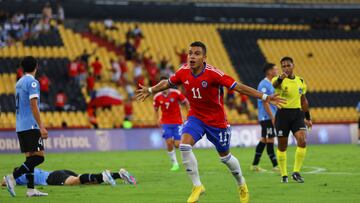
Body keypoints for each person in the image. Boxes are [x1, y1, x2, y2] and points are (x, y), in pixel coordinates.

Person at [135, 41, 284, 203]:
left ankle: (241, 183)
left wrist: (265, 97)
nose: (192, 56)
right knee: (184, 146)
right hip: (196, 117)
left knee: (225, 157)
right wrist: (150, 90)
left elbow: (238, 87)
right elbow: (168, 83)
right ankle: (197, 186)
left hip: (216, 121)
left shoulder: (214, 74)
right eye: (190, 53)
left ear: (204, 58)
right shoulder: (183, 71)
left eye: (197, 53)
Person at [4, 56, 48, 197]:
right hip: (30, 125)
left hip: (20, 125)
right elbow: (33, 104)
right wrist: (41, 126)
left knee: (30, 159)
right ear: (36, 66)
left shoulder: (19, 82)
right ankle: (12, 177)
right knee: (39, 157)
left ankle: (30, 189)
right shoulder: (32, 82)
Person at [272, 56, 312, 183]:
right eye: (283, 66)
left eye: (288, 65)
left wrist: (308, 117)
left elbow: (303, 100)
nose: (286, 68)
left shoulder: (300, 81)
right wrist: (280, 78)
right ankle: (284, 174)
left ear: (293, 66)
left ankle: (296, 172)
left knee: (302, 140)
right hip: (282, 116)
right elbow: (275, 84)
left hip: (297, 115)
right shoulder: (278, 80)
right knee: (282, 146)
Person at [153, 77, 189, 171]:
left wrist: (188, 113)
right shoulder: (157, 97)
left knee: (177, 144)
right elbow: (156, 109)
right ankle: (175, 164)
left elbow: (186, 102)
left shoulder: (176, 93)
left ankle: (186, 160)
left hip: (177, 122)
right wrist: (157, 119)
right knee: (169, 143)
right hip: (165, 122)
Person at [251, 63, 279, 172]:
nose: (277, 71)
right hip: (266, 116)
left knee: (264, 139)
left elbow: (271, 101)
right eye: (275, 69)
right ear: (269, 71)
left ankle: (254, 165)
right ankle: (275, 165)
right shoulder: (263, 84)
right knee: (270, 138)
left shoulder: (272, 84)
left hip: (269, 115)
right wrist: (272, 117)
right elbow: (264, 102)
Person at [2, 167, 136, 187]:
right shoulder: (31, 167)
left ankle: (106, 175)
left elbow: (3, 182)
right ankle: (118, 174)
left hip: (52, 178)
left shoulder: (20, 176)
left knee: (76, 181)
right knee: (86, 182)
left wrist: (9, 179)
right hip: (57, 172)